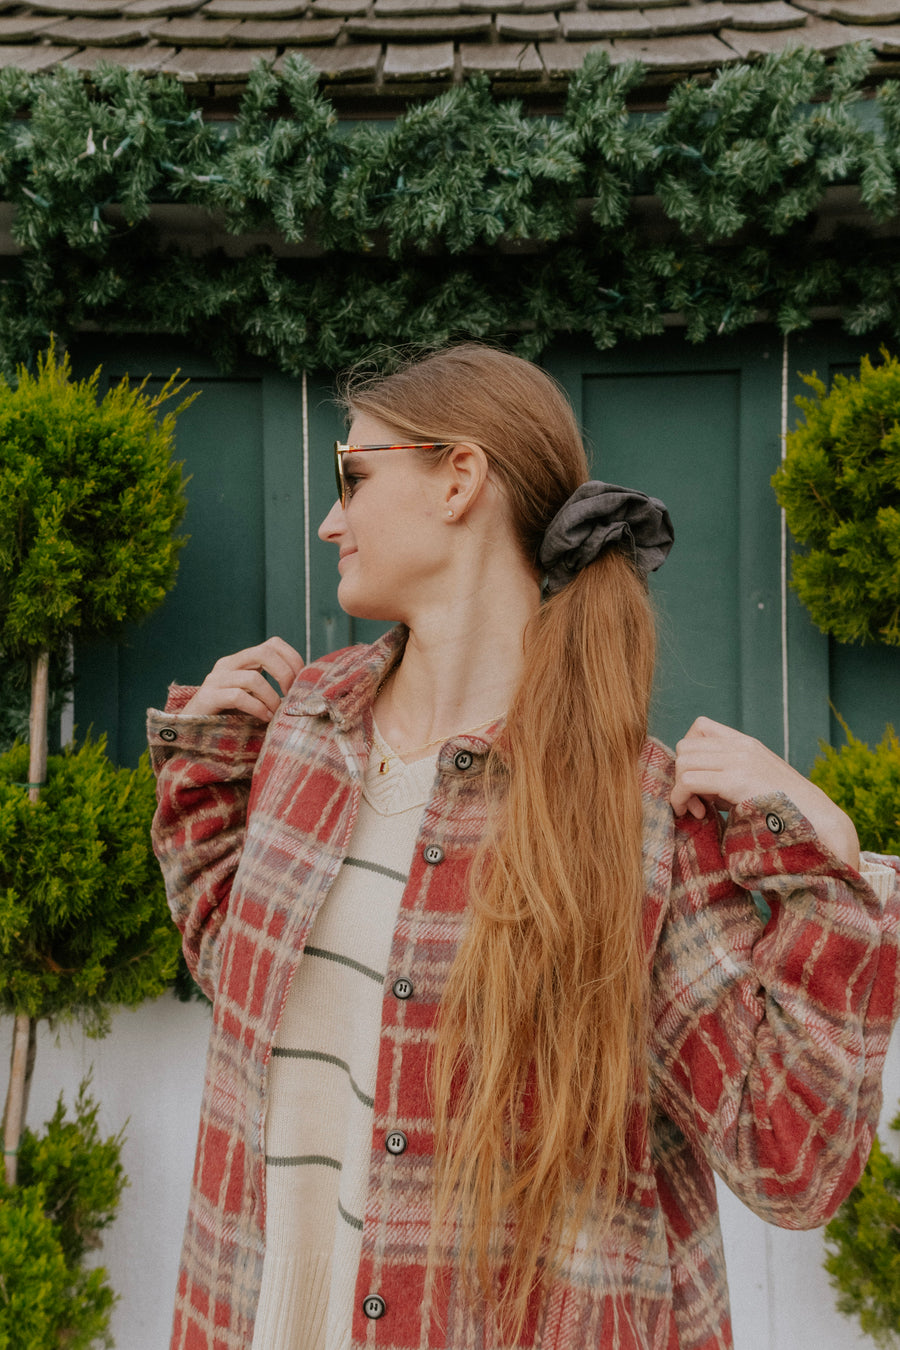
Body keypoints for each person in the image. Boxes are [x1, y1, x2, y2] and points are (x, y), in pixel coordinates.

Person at [148, 343, 900, 1350]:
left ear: (459, 476)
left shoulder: (628, 815)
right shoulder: (308, 729)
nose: (331, 519)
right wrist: (207, 770)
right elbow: (247, 986)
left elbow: (792, 1163)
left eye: (354, 476)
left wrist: (829, 871)